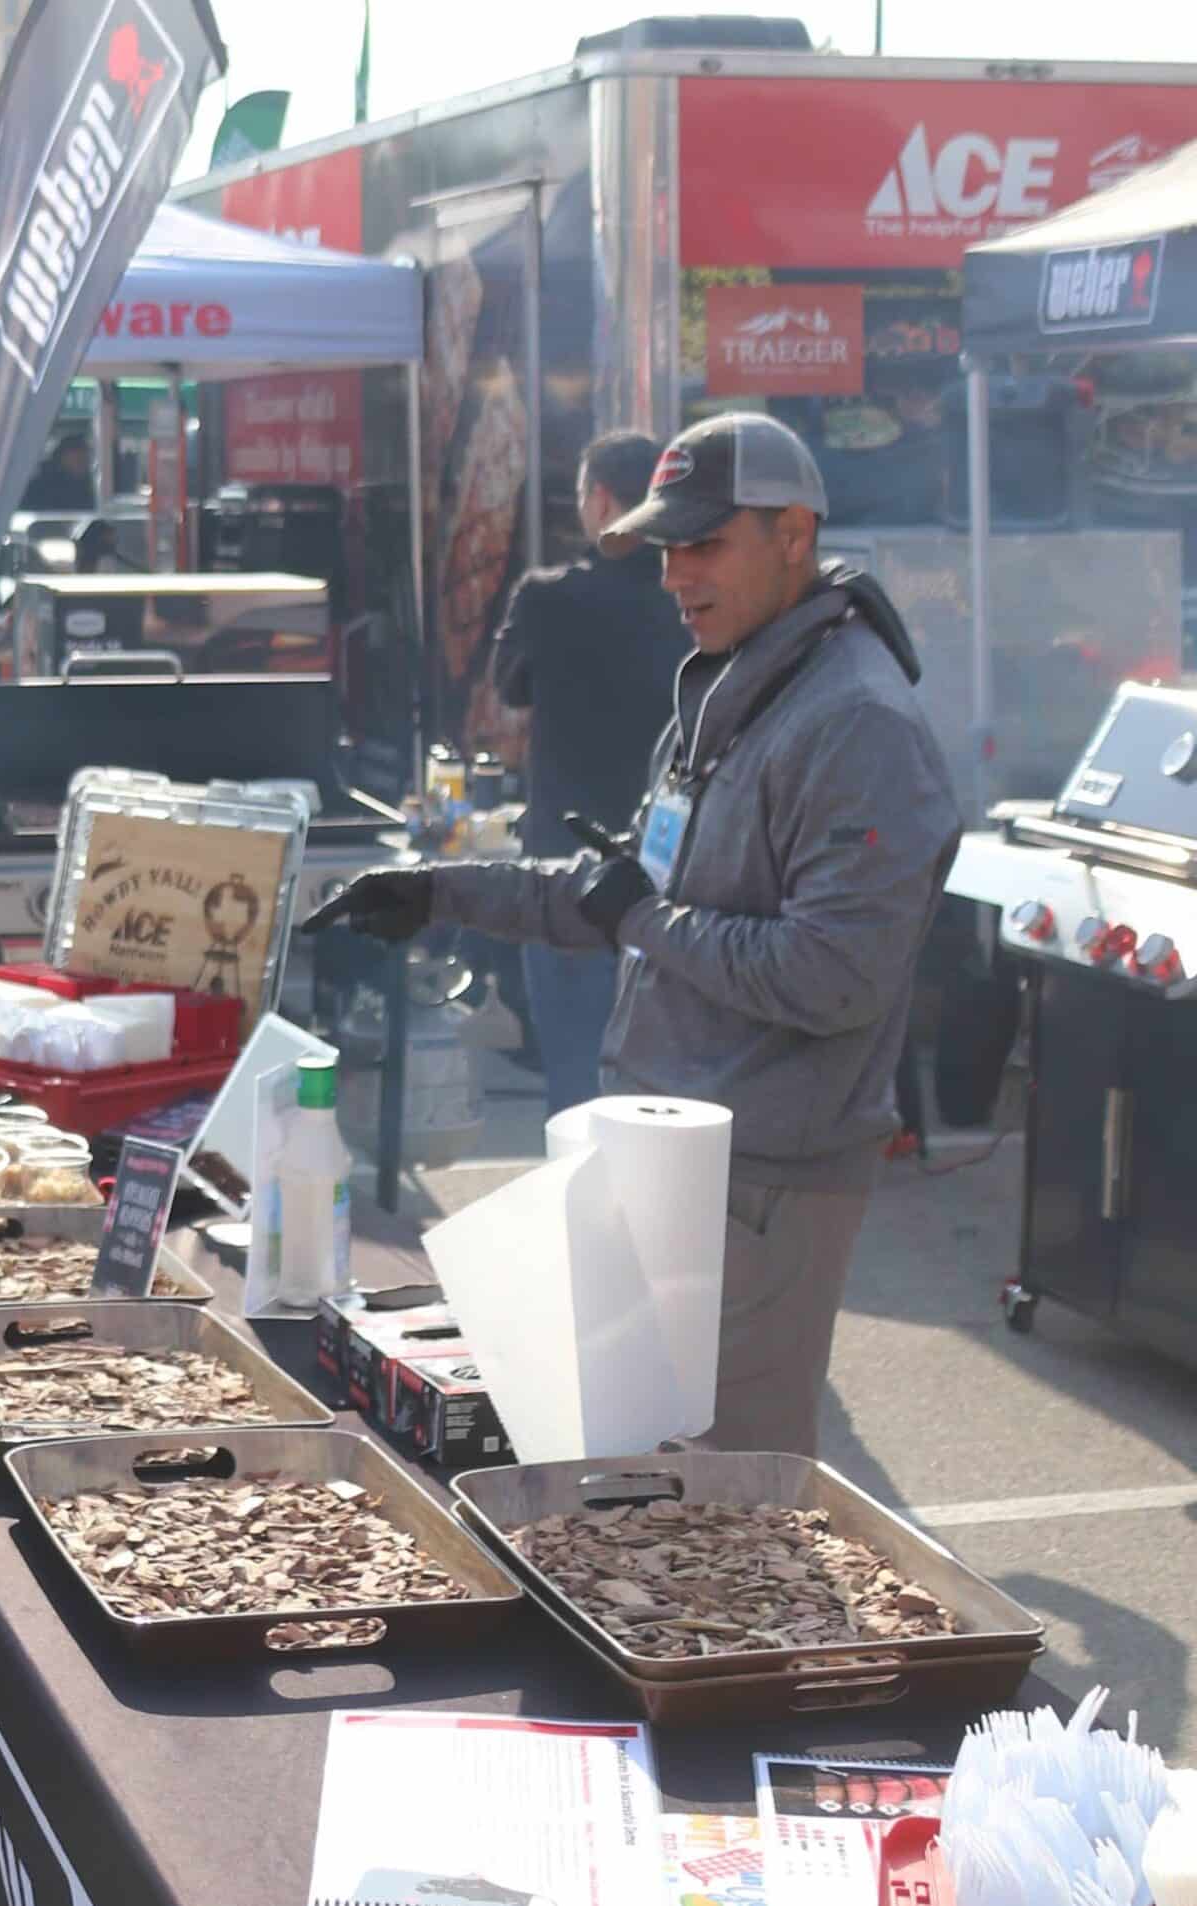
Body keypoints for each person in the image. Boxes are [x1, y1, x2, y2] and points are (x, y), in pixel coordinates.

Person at [315, 413, 958, 1459]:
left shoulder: (854, 723)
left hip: (762, 1184)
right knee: (635, 1486)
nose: (673, 574)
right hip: (670, 1157)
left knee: (726, 1510)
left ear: (794, 533)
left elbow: (832, 975)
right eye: (665, 547)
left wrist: (643, 918)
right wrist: (437, 891)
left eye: (704, 544)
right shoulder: (737, 683)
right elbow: (625, 888)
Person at [487, 431, 688, 1116]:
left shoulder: (547, 600)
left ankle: (585, 1210)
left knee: (576, 1083)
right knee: (670, 1084)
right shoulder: (693, 598)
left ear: (600, 501)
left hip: (567, 867)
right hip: (678, 872)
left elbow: (508, 688)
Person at [19, 431, 97, 512]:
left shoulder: (91, 487)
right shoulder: (40, 488)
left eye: (85, 458)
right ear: (61, 457)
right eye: (77, 458)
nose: (82, 461)